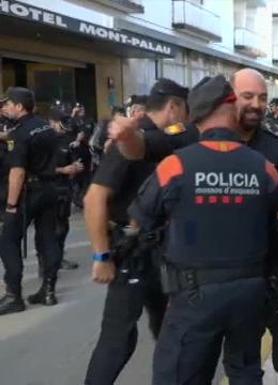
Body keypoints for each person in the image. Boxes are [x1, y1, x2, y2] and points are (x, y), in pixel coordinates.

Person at [109, 69, 278, 385]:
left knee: (179, 372)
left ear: (196, 116)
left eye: (261, 98)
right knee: (245, 370)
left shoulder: (179, 164)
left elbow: (140, 217)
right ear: (231, 107)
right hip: (249, 290)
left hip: (209, 291)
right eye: (246, 97)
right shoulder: (261, 165)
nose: (255, 105)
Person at [83, 79, 188, 385]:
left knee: (168, 332)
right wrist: (101, 256)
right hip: (132, 254)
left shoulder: (167, 140)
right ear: (173, 107)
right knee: (117, 341)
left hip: (163, 254)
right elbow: (94, 199)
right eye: (184, 110)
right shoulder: (131, 140)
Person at [0, 87, 63, 315]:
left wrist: (11, 205)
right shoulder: (45, 127)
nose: (5, 108)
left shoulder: (20, 134)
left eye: (8, 104)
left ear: (19, 106)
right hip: (49, 188)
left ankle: (13, 295)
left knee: (8, 240)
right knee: (47, 239)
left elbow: (17, 173)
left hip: (29, 192)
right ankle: (48, 291)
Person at [46, 110, 85, 271]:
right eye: (61, 123)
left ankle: (59, 257)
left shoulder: (65, 140)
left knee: (63, 226)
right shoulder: (44, 141)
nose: (64, 127)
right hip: (49, 189)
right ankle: (47, 262)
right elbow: (41, 168)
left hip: (65, 189)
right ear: (52, 122)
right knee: (50, 228)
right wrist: (63, 170)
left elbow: (72, 159)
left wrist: (76, 167)